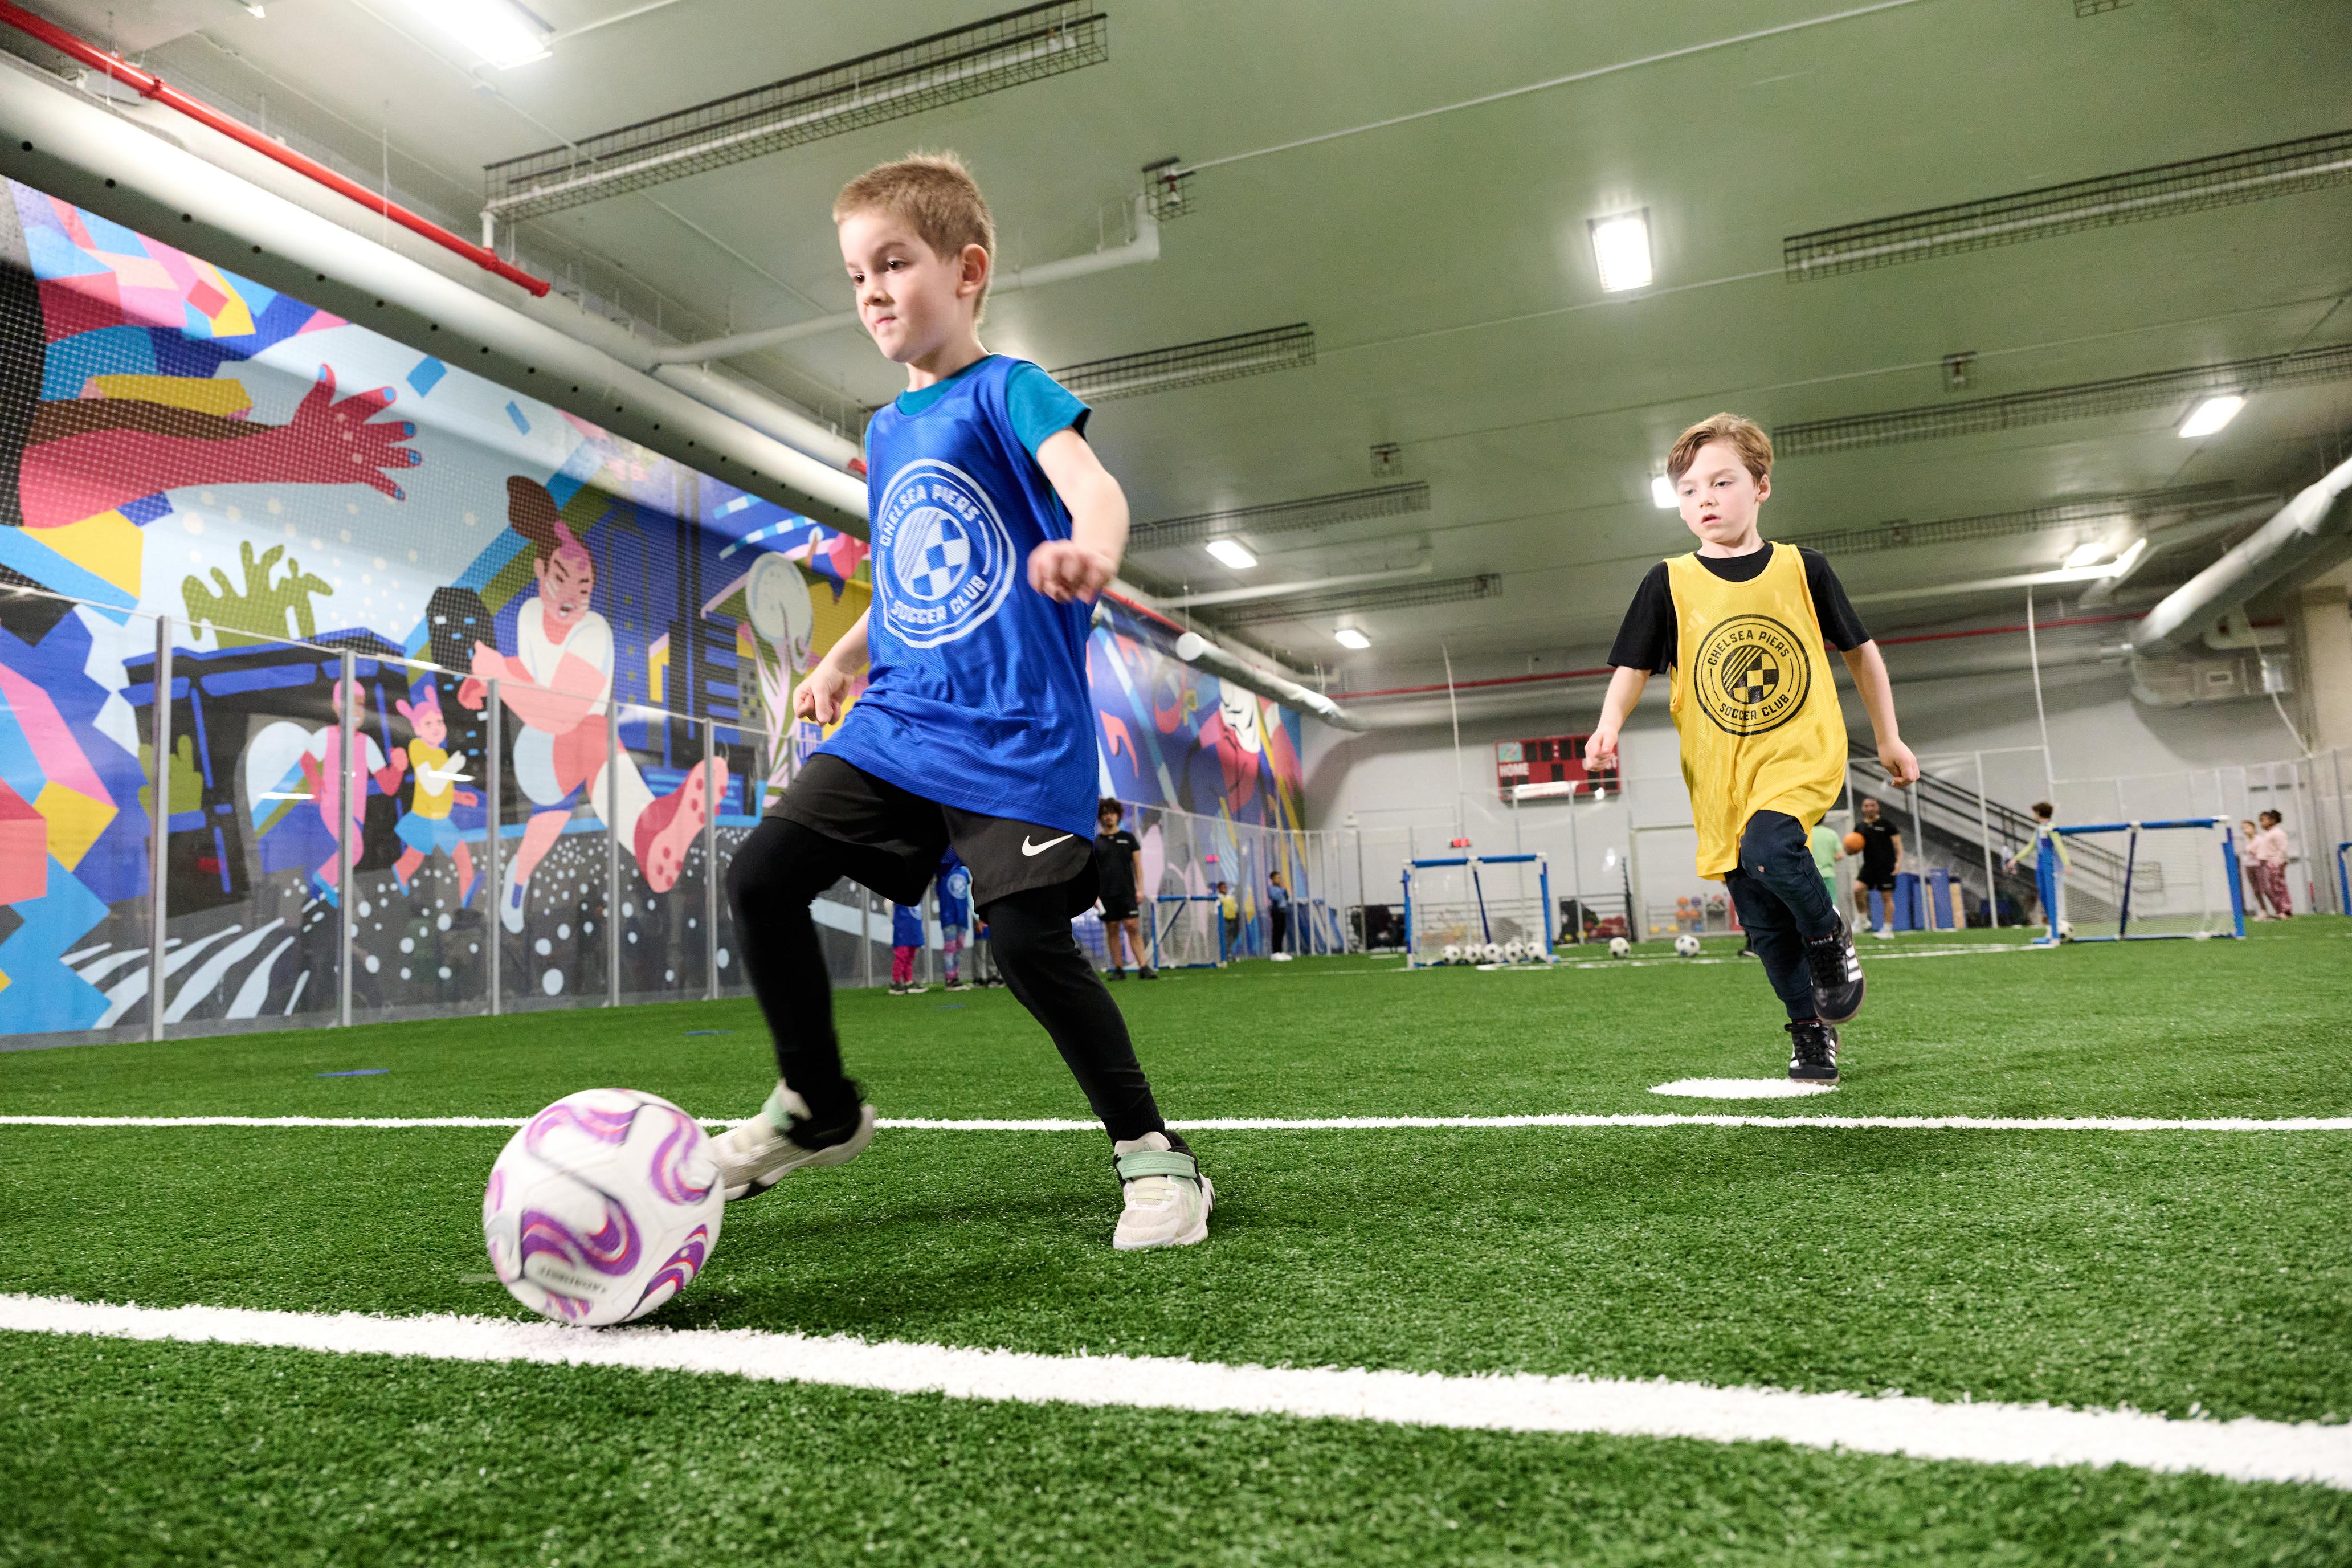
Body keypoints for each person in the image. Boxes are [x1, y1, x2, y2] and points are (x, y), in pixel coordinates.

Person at [712, 153, 1210, 1251]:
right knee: (762, 876)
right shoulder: (887, 432)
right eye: (855, 275)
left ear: (967, 270)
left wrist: (1094, 551)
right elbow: (910, 575)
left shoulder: (1007, 389)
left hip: (1018, 733)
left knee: (1028, 942)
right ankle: (816, 1106)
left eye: (894, 262)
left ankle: (1153, 1153)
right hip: (902, 716)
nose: (872, 291)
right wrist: (843, 658)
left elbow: (1094, 486)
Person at [1586, 413, 1918, 1084]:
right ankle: (1809, 1031)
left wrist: (1888, 735)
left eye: (1721, 482)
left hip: (1798, 754)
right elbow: (1630, 666)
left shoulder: (1803, 569)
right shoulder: (1669, 582)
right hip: (1718, 779)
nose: (1703, 498)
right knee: (1763, 926)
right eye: (1687, 490)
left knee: (1775, 849)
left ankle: (1830, 938)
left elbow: (1863, 654)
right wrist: (1609, 724)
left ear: (1761, 486)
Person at [459, 477, 725, 934]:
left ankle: (521, 883)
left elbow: (560, 709)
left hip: (576, 744)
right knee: (590, 739)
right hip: (538, 751)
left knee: (561, 798)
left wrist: (496, 675)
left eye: (584, 588)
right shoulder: (526, 616)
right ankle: (652, 830)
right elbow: (533, 681)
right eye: (562, 580)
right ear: (541, 571)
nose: (571, 597)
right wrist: (489, 677)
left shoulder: (594, 631)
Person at [390, 681, 479, 905]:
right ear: (418, 729)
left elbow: (443, 788)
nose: (436, 727)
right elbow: (432, 786)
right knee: (414, 858)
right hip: (425, 819)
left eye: (439, 721)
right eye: (429, 723)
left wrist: (459, 797)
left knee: (463, 858)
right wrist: (452, 768)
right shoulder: (417, 748)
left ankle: (466, 898)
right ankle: (399, 874)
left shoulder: (440, 753)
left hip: (441, 819)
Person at [1092, 798, 1156, 980]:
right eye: (1104, 814)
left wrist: (1140, 889)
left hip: (1127, 892)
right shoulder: (1096, 842)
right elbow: (1092, 872)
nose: (1108, 817)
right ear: (1101, 818)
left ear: (1119, 815)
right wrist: (1095, 897)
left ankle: (1144, 967)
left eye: (1112, 813)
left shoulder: (1129, 839)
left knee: (1132, 927)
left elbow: (1138, 866)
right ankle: (1119, 969)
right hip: (1105, 895)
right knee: (1112, 929)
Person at [2004, 801, 2068, 933]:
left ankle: (2060, 922)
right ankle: (2052, 922)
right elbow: (2031, 846)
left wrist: (2067, 864)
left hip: (2053, 867)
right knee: (2044, 894)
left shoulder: (2052, 828)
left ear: (2039, 813)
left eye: (2035, 812)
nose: (2034, 815)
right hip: (2042, 866)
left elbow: (2060, 846)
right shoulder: (2039, 829)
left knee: (2056, 894)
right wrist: (2015, 859)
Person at [1851, 797, 1903, 938]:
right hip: (1869, 866)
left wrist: (1898, 863)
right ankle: (1862, 921)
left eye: (1872, 805)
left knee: (1886, 897)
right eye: (1866, 806)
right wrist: (1849, 849)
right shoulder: (1860, 827)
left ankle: (1887, 930)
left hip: (1886, 866)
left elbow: (1898, 846)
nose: (1869, 808)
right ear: (1863, 808)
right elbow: (1853, 847)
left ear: (1877, 807)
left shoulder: (1887, 825)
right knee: (1857, 889)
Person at [2243, 811, 2292, 919]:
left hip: (2275, 863)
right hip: (2268, 863)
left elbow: (2282, 849)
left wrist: (2277, 862)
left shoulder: (2278, 833)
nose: (2261, 823)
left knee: (2279, 887)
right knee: (2274, 888)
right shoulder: (2269, 834)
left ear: (2272, 821)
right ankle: (2280, 911)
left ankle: (2286, 911)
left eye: (2263, 820)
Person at [937, 847, 974, 990]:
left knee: (958, 948)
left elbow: (968, 895)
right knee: (950, 948)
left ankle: (956, 977)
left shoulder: (965, 872)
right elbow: (940, 892)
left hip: (962, 917)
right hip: (949, 917)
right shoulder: (942, 872)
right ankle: (949, 979)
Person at [888, 899, 924, 994]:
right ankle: (896, 982)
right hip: (902, 930)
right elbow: (887, 903)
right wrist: (893, 920)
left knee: (910, 957)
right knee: (901, 956)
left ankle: (909, 981)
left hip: (914, 929)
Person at [1267, 869, 1293, 960]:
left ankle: (1281, 951)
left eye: (1279, 878)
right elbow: (1275, 897)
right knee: (1277, 931)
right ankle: (1275, 952)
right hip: (1276, 911)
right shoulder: (1271, 888)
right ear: (1272, 879)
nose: (1279, 880)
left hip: (1283, 911)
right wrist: (1282, 890)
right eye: (1277, 878)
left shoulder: (1281, 889)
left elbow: (1286, 898)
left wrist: (1284, 891)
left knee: (1282, 931)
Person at [1215, 879, 1239, 959]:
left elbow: (1235, 907)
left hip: (1232, 919)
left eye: (1226, 887)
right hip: (1223, 919)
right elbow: (1215, 910)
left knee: (1231, 937)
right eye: (1223, 887)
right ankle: (1223, 954)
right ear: (1219, 889)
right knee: (1224, 937)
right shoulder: (1218, 898)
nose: (1225, 889)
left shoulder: (1230, 897)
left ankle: (1228, 953)